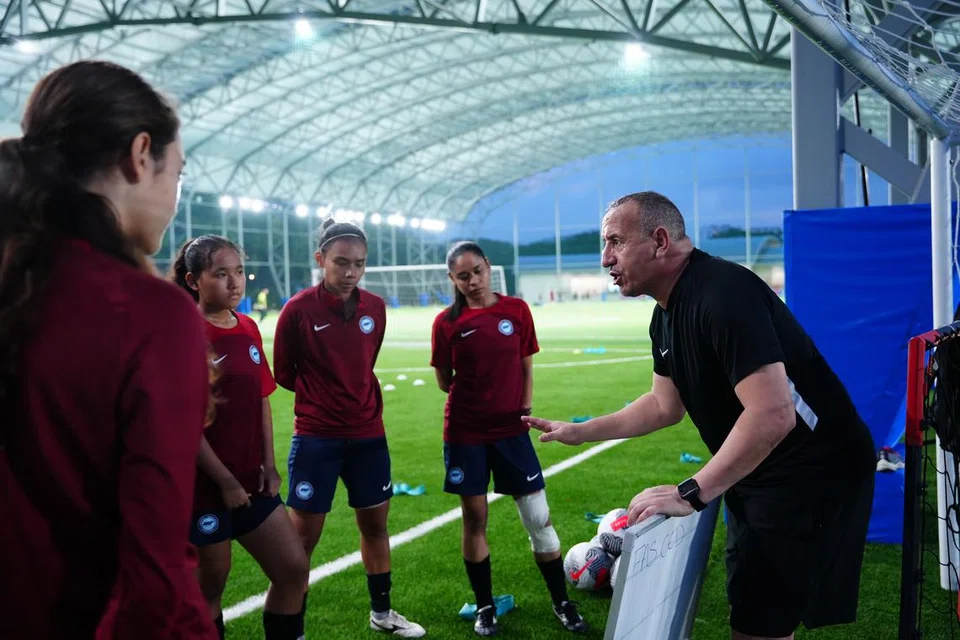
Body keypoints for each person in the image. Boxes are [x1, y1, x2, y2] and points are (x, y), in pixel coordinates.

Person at [523, 191, 877, 640]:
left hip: (809, 472)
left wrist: (691, 492)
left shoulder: (723, 293)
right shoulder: (665, 315)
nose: (604, 258)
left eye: (614, 241)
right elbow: (663, 405)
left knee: (759, 622)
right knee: (754, 607)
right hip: (762, 467)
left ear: (659, 240)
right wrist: (581, 431)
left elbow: (773, 414)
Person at [0, 61, 217, 638]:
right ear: (141, 154)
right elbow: (155, 577)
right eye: (178, 172)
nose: (174, 194)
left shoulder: (19, 281)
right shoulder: (148, 312)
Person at [273, 218, 426, 638]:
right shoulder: (298, 310)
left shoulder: (374, 308)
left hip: (368, 436)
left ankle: (382, 613)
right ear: (320, 259)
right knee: (301, 542)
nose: (351, 273)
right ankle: (294, 628)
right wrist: (325, 397)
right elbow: (284, 373)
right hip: (316, 438)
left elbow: (365, 362)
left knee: (375, 528)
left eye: (359, 264)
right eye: (341, 263)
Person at [430, 241, 588, 637]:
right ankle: (485, 607)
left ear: (488, 268)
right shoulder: (446, 323)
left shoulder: (516, 310)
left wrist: (525, 407)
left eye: (477, 271)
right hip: (466, 433)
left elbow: (525, 365)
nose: (472, 281)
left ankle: (562, 602)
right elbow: (444, 381)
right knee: (475, 518)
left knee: (538, 517)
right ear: (453, 279)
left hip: (511, 430)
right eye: (463, 275)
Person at [172, 235, 310, 640]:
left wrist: (268, 465)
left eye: (238, 273)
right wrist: (226, 482)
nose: (235, 283)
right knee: (209, 589)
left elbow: (262, 400)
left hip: (253, 482)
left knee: (293, 568)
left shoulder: (247, 326)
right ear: (193, 280)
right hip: (205, 489)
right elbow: (184, 424)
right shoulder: (185, 333)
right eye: (221, 274)